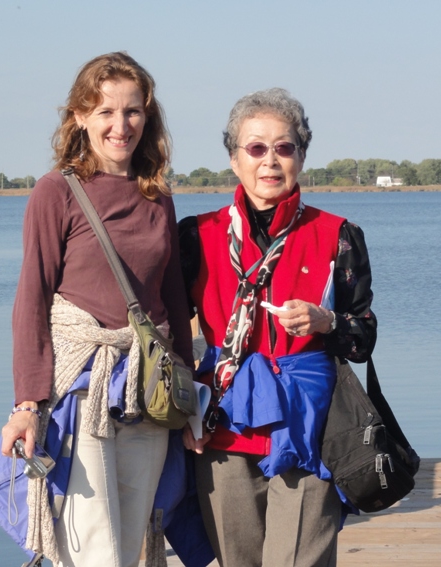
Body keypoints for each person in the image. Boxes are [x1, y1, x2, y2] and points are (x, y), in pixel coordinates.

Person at [0, 52, 194, 567]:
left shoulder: (158, 196)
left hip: (146, 388)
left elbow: (172, 298)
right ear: (80, 117)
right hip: (82, 386)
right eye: (105, 111)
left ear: (147, 117)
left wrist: (190, 392)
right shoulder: (56, 192)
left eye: (132, 111)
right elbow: (32, 301)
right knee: (95, 549)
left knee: (131, 546)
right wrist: (26, 404)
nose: (120, 125)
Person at [178, 88, 377, 567]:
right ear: (234, 158)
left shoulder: (338, 235)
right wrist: (183, 415)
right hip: (222, 425)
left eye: (284, 147)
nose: (270, 161)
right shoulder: (196, 236)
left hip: (310, 425)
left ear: (302, 156)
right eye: (256, 148)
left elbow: (363, 335)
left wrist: (327, 321)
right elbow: (168, 336)